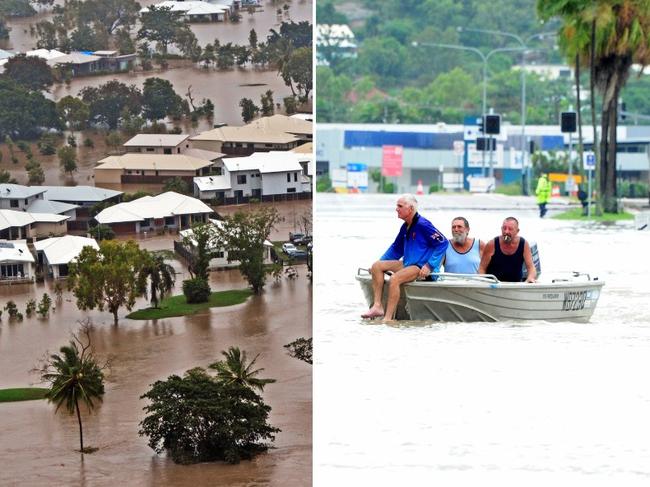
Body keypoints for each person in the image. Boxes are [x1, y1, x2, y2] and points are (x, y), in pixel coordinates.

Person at [361, 194, 448, 321]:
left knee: (395, 279)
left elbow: (443, 243)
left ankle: (388, 318)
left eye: (400, 206)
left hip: (420, 267)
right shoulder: (405, 226)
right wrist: (380, 262)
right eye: (397, 206)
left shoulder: (423, 224)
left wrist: (430, 265)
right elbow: (396, 248)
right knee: (377, 266)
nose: (396, 209)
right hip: (408, 264)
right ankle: (377, 306)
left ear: (411, 209)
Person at [478, 216, 537, 283]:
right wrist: (483, 282)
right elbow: (482, 268)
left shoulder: (523, 244)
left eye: (510, 229)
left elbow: (531, 268)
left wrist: (530, 278)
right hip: (494, 284)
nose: (506, 231)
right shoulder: (492, 244)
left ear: (517, 231)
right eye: (504, 228)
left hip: (515, 285)